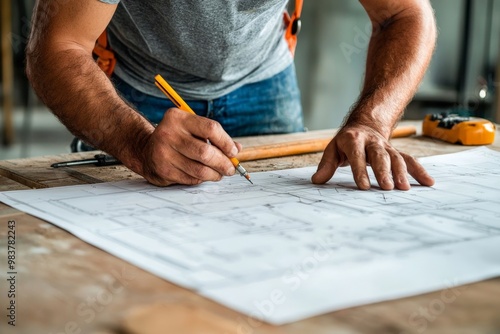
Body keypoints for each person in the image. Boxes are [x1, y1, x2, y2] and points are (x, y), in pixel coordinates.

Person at [26, 0, 436, 190]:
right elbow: (57, 48)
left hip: (264, 83)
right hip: (137, 93)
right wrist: (134, 142)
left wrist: (371, 121)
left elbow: (404, 13)